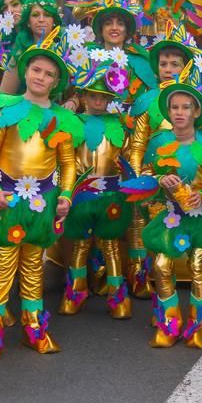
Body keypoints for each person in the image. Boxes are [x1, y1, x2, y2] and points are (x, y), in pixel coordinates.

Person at [0, 29, 80, 361]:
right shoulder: (6, 109)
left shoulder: (61, 119)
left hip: (42, 202)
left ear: (56, 82)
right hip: (6, 199)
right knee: (3, 264)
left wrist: (65, 195)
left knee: (34, 264)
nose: (41, 77)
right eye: (36, 70)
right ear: (25, 72)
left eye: (49, 74)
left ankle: (34, 328)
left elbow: (67, 163)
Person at [139, 60, 202, 349]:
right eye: (174, 107)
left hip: (200, 217)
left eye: (185, 107)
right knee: (161, 262)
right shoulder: (158, 142)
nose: (179, 113)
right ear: (168, 112)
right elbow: (145, 173)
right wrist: (159, 180)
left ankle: (200, 321)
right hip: (170, 217)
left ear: (196, 112)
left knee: (197, 263)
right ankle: (169, 322)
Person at [63, 46, 141, 321]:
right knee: (81, 244)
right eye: (93, 95)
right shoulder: (74, 124)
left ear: (110, 99)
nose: (98, 101)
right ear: (83, 96)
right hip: (82, 195)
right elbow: (67, 158)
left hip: (111, 194)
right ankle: (76, 290)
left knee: (110, 244)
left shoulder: (118, 125)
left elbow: (128, 157)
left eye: (103, 97)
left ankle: (118, 296)